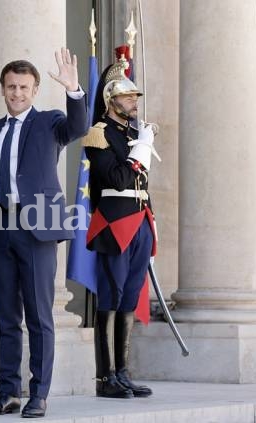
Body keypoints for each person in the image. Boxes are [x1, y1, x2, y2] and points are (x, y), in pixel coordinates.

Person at [0, 51, 88, 419]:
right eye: (11, 87)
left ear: (35, 89)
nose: (17, 93)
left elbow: (79, 128)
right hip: (0, 227)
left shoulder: (50, 122)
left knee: (39, 316)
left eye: (24, 87)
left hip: (37, 229)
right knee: (5, 316)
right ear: (2, 89)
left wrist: (74, 88)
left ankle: (38, 394)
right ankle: (8, 392)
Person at [82, 50, 158, 399]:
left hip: (140, 220)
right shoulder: (99, 134)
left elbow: (141, 186)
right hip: (115, 223)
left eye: (135, 96)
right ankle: (104, 377)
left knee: (129, 295)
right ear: (111, 100)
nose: (134, 101)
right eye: (128, 96)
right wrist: (139, 152)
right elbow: (117, 176)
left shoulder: (133, 133)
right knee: (110, 297)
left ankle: (123, 372)